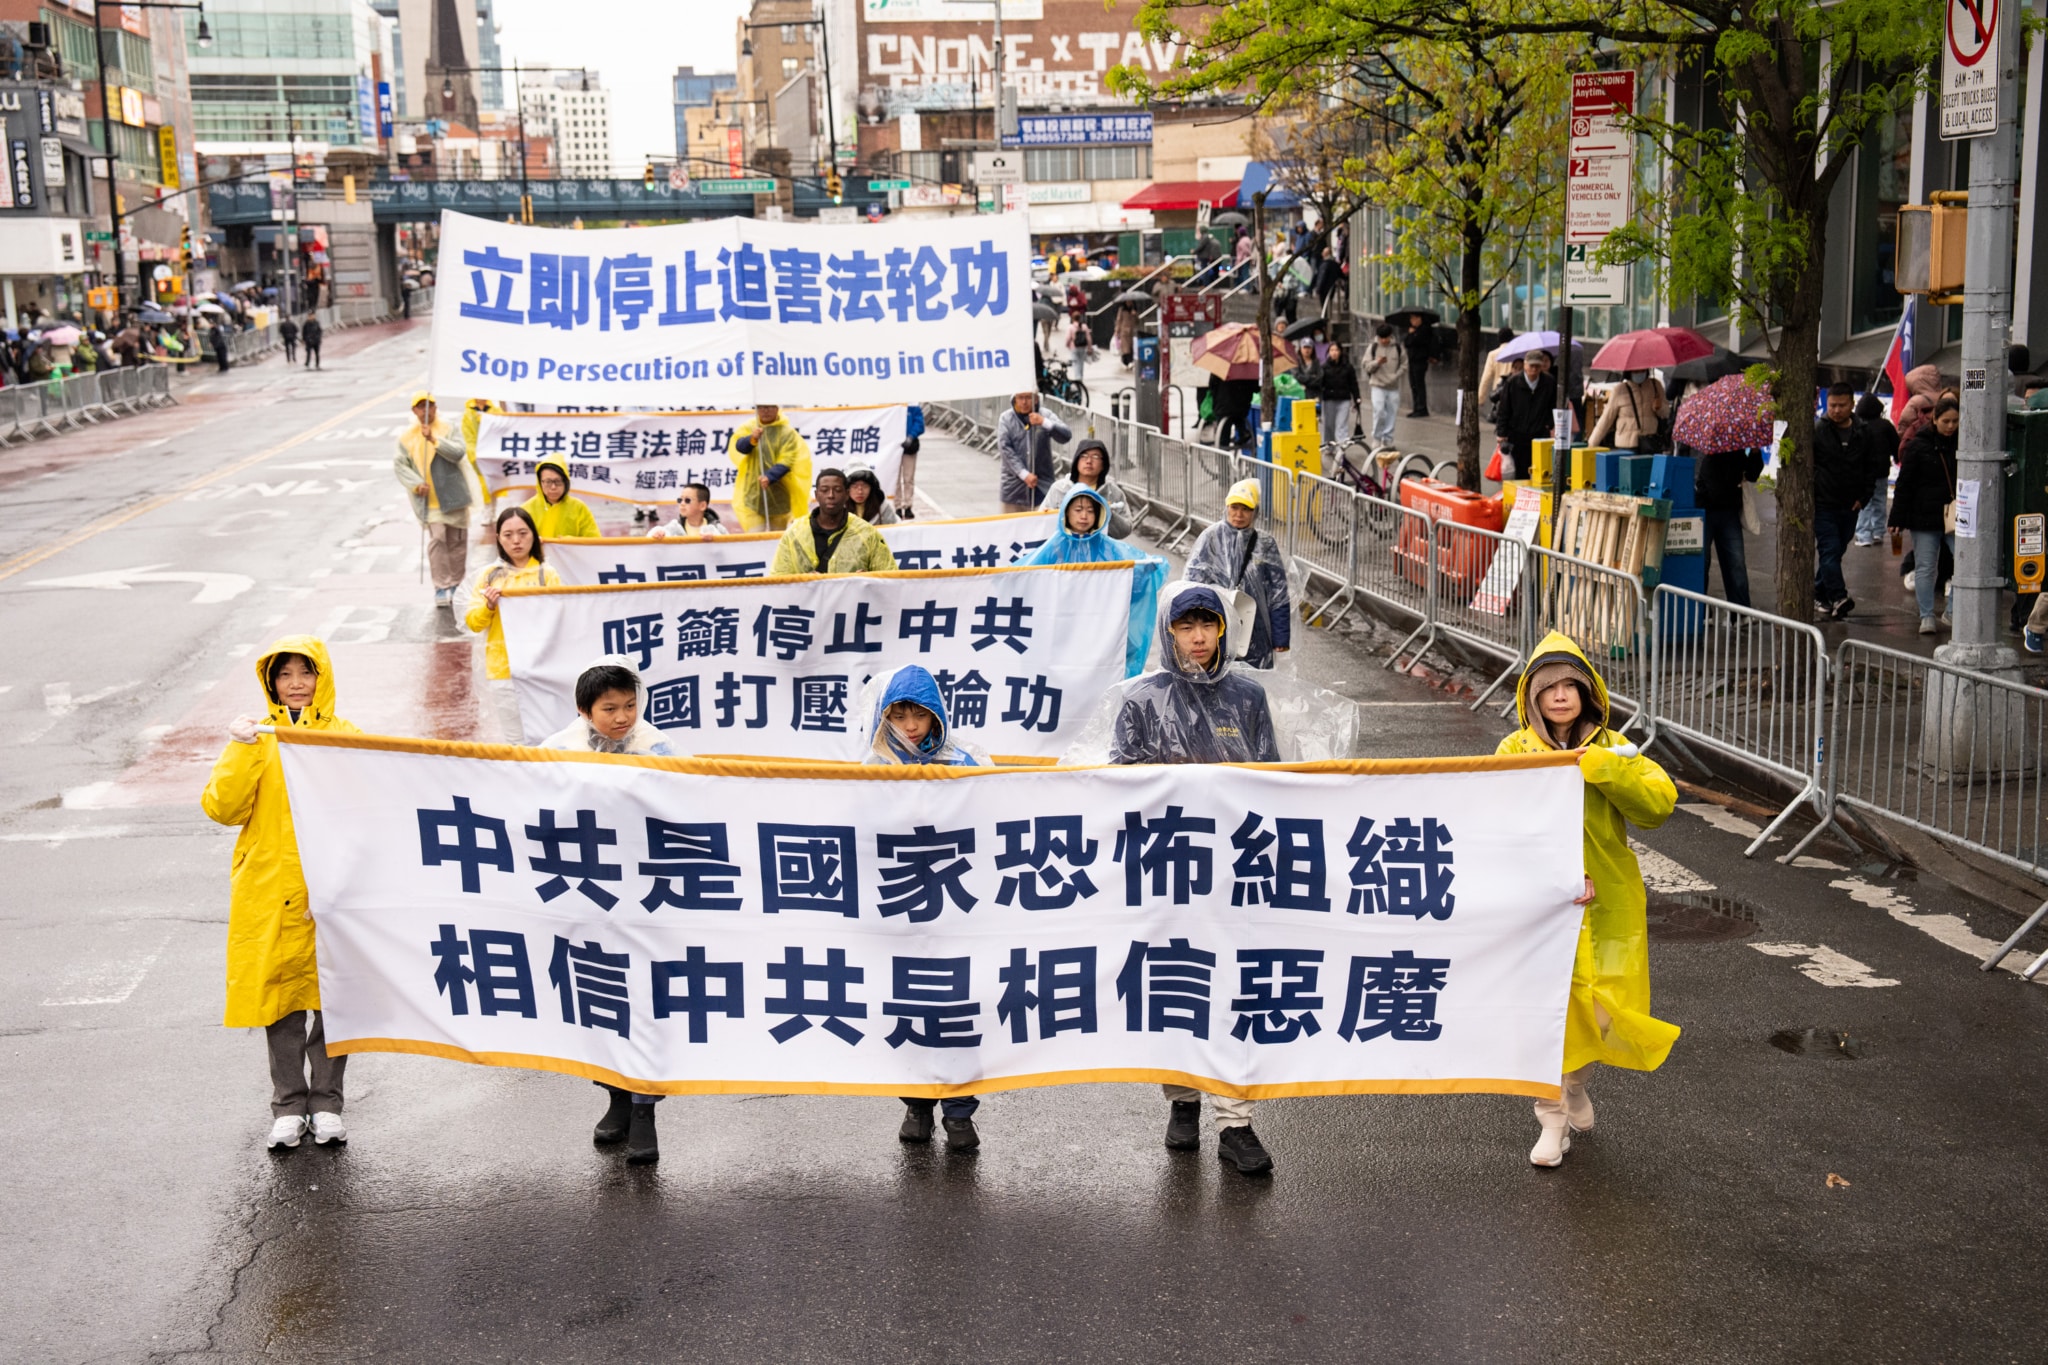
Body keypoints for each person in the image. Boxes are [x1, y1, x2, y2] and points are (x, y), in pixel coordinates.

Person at [1110, 583, 1280, 1175]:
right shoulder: (1141, 701)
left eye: (1209, 624)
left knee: (1233, 990)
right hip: (1168, 873)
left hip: (1234, 872)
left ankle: (1235, 1123)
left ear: (1224, 629)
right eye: (1187, 626)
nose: (1199, 637)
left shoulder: (1248, 697)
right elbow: (1120, 790)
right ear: (1170, 632)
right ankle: (1182, 1100)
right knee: (1176, 988)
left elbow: (1273, 783)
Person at [1495, 634, 1679, 1167]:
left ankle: (1575, 1085)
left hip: (1611, 903)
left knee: (1600, 1014)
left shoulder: (1615, 747)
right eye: (1547, 687)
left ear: (1587, 693)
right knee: (1549, 1014)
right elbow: (1499, 824)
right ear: (1530, 695)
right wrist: (1556, 876)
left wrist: (1604, 768)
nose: (1559, 696)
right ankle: (1551, 1119)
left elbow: (1657, 806)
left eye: (1569, 686)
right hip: (1542, 905)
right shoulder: (1513, 752)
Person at [202, 637, 361, 1152]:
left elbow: (373, 803)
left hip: (330, 888)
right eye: (284, 674)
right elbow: (222, 808)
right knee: (282, 1004)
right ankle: (289, 1106)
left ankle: (327, 1102)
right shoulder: (257, 738)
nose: (296, 684)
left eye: (305, 673)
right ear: (271, 682)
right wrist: (241, 749)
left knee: (334, 999)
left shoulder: (345, 736)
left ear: (322, 678)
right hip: (272, 889)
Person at [541, 656, 672, 1162]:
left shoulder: (658, 749)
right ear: (583, 711)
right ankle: (616, 1097)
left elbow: (692, 802)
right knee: (601, 997)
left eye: (630, 706)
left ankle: (644, 1112)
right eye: (609, 708)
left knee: (645, 1003)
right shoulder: (556, 753)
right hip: (588, 896)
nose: (622, 717)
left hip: (646, 898)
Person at [860, 664, 990, 1150]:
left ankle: (959, 1111)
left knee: (958, 1007)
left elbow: (995, 821)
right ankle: (916, 1104)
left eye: (920, 714)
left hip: (956, 903)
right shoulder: (873, 769)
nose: (911, 726)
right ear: (884, 716)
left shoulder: (967, 759)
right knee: (907, 1005)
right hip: (899, 908)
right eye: (899, 715)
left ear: (938, 712)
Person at [1019, 483, 1167, 676]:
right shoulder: (1053, 548)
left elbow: (1130, 581)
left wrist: (1145, 571)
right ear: (1066, 512)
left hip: (1098, 624)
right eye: (1078, 510)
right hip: (1061, 624)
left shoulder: (1109, 548)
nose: (1084, 516)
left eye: (1090, 511)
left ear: (1099, 514)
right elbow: (1026, 576)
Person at [1184, 478, 1294, 669]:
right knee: (1216, 674)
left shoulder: (1265, 543)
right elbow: (1192, 584)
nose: (1239, 514)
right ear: (1226, 507)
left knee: (1253, 678)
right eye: (1234, 507)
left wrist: (1280, 638)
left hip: (1256, 626)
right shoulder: (1211, 538)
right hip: (1216, 621)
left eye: (1245, 509)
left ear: (1255, 512)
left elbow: (1278, 593)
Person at [465, 506, 561, 687]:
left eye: (523, 533)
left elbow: (559, 619)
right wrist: (489, 607)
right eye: (508, 535)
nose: (516, 541)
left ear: (533, 535)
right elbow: (473, 623)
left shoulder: (547, 575)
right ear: (498, 539)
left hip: (540, 665)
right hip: (502, 669)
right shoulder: (490, 576)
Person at [394, 390, 474, 608]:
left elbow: (458, 452)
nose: (426, 411)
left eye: (430, 406)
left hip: (454, 496)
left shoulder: (448, 429)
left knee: (457, 542)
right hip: (430, 502)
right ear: (414, 410)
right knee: (438, 539)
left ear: (436, 408)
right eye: (421, 407)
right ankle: (441, 585)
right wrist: (415, 484)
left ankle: (457, 583)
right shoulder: (407, 437)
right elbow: (401, 465)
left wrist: (434, 440)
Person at [1888, 398, 1959, 635]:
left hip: (1954, 515)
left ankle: (1952, 611)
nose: (1951, 426)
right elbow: (1904, 484)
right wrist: (1897, 518)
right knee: (1926, 567)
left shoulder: (1963, 443)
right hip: (1924, 516)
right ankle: (1926, 615)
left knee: (1964, 564)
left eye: (1955, 421)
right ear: (1935, 420)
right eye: (1946, 421)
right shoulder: (1919, 446)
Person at [1812, 381, 1876, 619]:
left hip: (1851, 505)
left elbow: (1871, 466)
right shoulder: (1818, 430)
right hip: (1824, 503)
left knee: (1836, 552)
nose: (1836, 410)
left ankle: (1819, 592)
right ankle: (1839, 596)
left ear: (1852, 404)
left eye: (1841, 405)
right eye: (1832, 405)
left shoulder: (1863, 432)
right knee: (1829, 550)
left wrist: (1864, 497)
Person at [768, 468, 896, 575]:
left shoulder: (867, 533)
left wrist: (868, 579)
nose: (831, 495)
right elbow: (778, 580)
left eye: (838, 490)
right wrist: (804, 581)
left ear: (846, 494)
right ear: (816, 495)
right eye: (824, 490)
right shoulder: (794, 533)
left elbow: (890, 577)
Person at [1694, 445, 1764, 608]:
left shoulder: (1735, 448)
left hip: (1728, 511)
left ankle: (1740, 611)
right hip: (1705, 511)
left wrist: (1755, 454)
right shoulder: (1706, 450)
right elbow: (1705, 481)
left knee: (1736, 562)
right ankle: (1700, 610)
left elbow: (1752, 474)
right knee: (1702, 563)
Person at [727, 403, 811, 532]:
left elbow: (788, 459)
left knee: (776, 538)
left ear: (777, 408)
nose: (765, 411)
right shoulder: (750, 427)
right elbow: (739, 447)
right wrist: (752, 439)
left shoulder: (787, 433)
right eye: (761, 407)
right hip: (754, 493)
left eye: (769, 407)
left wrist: (770, 477)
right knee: (755, 536)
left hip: (779, 494)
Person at [1042, 439, 1134, 539]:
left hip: (1100, 548)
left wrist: (1109, 515)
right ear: (1076, 461)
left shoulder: (1113, 492)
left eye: (1095, 457)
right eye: (1084, 456)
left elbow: (1126, 529)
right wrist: (1047, 517)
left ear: (1104, 464)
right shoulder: (1059, 489)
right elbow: (1041, 524)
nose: (1089, 461)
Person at [997, 390, 1071, 512]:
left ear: (1036, 399)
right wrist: (1023, 474)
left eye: (1028, 397)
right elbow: (1005, 448)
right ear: (1014, 399)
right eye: (1020, 398)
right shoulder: (1006, 418)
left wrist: (1044, 423)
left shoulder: (1045, 414)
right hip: (1013, 491)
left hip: (1042, 487)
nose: (1024, 402)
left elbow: (1066, 435)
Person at [1498, 349, 1558, 480]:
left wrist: (1549, 425)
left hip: (1540, 432)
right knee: (1520, 471)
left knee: (1540, 470)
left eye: (1537, 366)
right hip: (1517, 433)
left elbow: (1553, 405)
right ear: (1525, 365)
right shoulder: (1513, 382)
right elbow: (1504, 409)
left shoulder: (1549, 382)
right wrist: (1502, 433)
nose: (1534, 369)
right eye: (1531, 366)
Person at [1854, 393, 1900, 546]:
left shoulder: (1858, 426)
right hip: (1882, 470)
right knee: (1880, 500)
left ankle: (1863, 534)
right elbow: (1896, 444)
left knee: (1864, 502)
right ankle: (1878, 531)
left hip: (1863, 472)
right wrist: (1897, 458)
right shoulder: (1886, 425)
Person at [522, 454, 601, 540]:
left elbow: (594, 541)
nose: (553, 487)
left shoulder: (579, 508)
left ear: (566, 482)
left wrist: (570, 541)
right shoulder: (526, 510)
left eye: (558, 481)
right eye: (548, 482)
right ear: (540, 483)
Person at [1588, 369, 1669, 452]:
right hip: (1627, 444)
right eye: (1636, 371)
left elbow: (1667, 413)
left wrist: (1660, 407)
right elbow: (1607, 418)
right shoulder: (1619, 390)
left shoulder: (1655, 385)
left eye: (1642, 370)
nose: (1639, 373)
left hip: (1650, 442)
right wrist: (1592, 443)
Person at [1362, 323, 1408, 450]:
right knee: (1379, 411)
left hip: (1393, 386)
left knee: (1392, 413)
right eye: (1381, 338)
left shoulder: (1398, 348)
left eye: (1386, 338)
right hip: (1377, 385)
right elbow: (1366, 365)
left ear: (1390, 336)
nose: (1383, 340)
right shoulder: (1373, 347)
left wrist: (1396, 375)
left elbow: (1404, 365)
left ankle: (1388, 439)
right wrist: (1377, 362)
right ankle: (1377, 438)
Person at [1317, 341, 1360, 446]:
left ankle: (1341, 448)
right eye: (1332, 350)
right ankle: (1329, 446)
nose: (1334, 352)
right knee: (1329, 425)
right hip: (1329, 399)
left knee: (1342, 425)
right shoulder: (1324, 367)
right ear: (1328, 352)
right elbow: (1319, 384)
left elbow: (1353, 383)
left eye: (1336, 350)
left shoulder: (1348, 367)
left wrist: (1357, 397)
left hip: (1344, 399)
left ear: (1340, 351)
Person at [649, 482, 726, 539]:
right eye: (680, 500)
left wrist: (715, 541)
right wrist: (657, 535)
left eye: (687, 500)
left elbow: (728, 550)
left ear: (702, 506)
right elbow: (650, 542)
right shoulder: (674, 528)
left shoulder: (717, 529)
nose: (682, 504)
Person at [1402, 316, 1436, 417]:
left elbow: (1417, 342)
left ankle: (1421, 408)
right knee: (1413, 384)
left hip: (1420, 360)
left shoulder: (1424, 330)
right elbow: (1407, 343)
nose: (1412, 321)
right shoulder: (1413, 330)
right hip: (1412, 360)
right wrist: (1410, 334)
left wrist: (1413, 334)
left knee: (1419, 384)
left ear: (1419, 319)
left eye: (1413, 319)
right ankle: (1416, 406)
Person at [895, 404, 925, 519]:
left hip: (909, 446)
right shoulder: (891, 405)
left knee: (908, 478)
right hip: (894, 447)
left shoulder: (913, 405)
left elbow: (920, 423)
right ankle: (897, 506)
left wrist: (911, 436)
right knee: (895, 479)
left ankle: (908, 506)